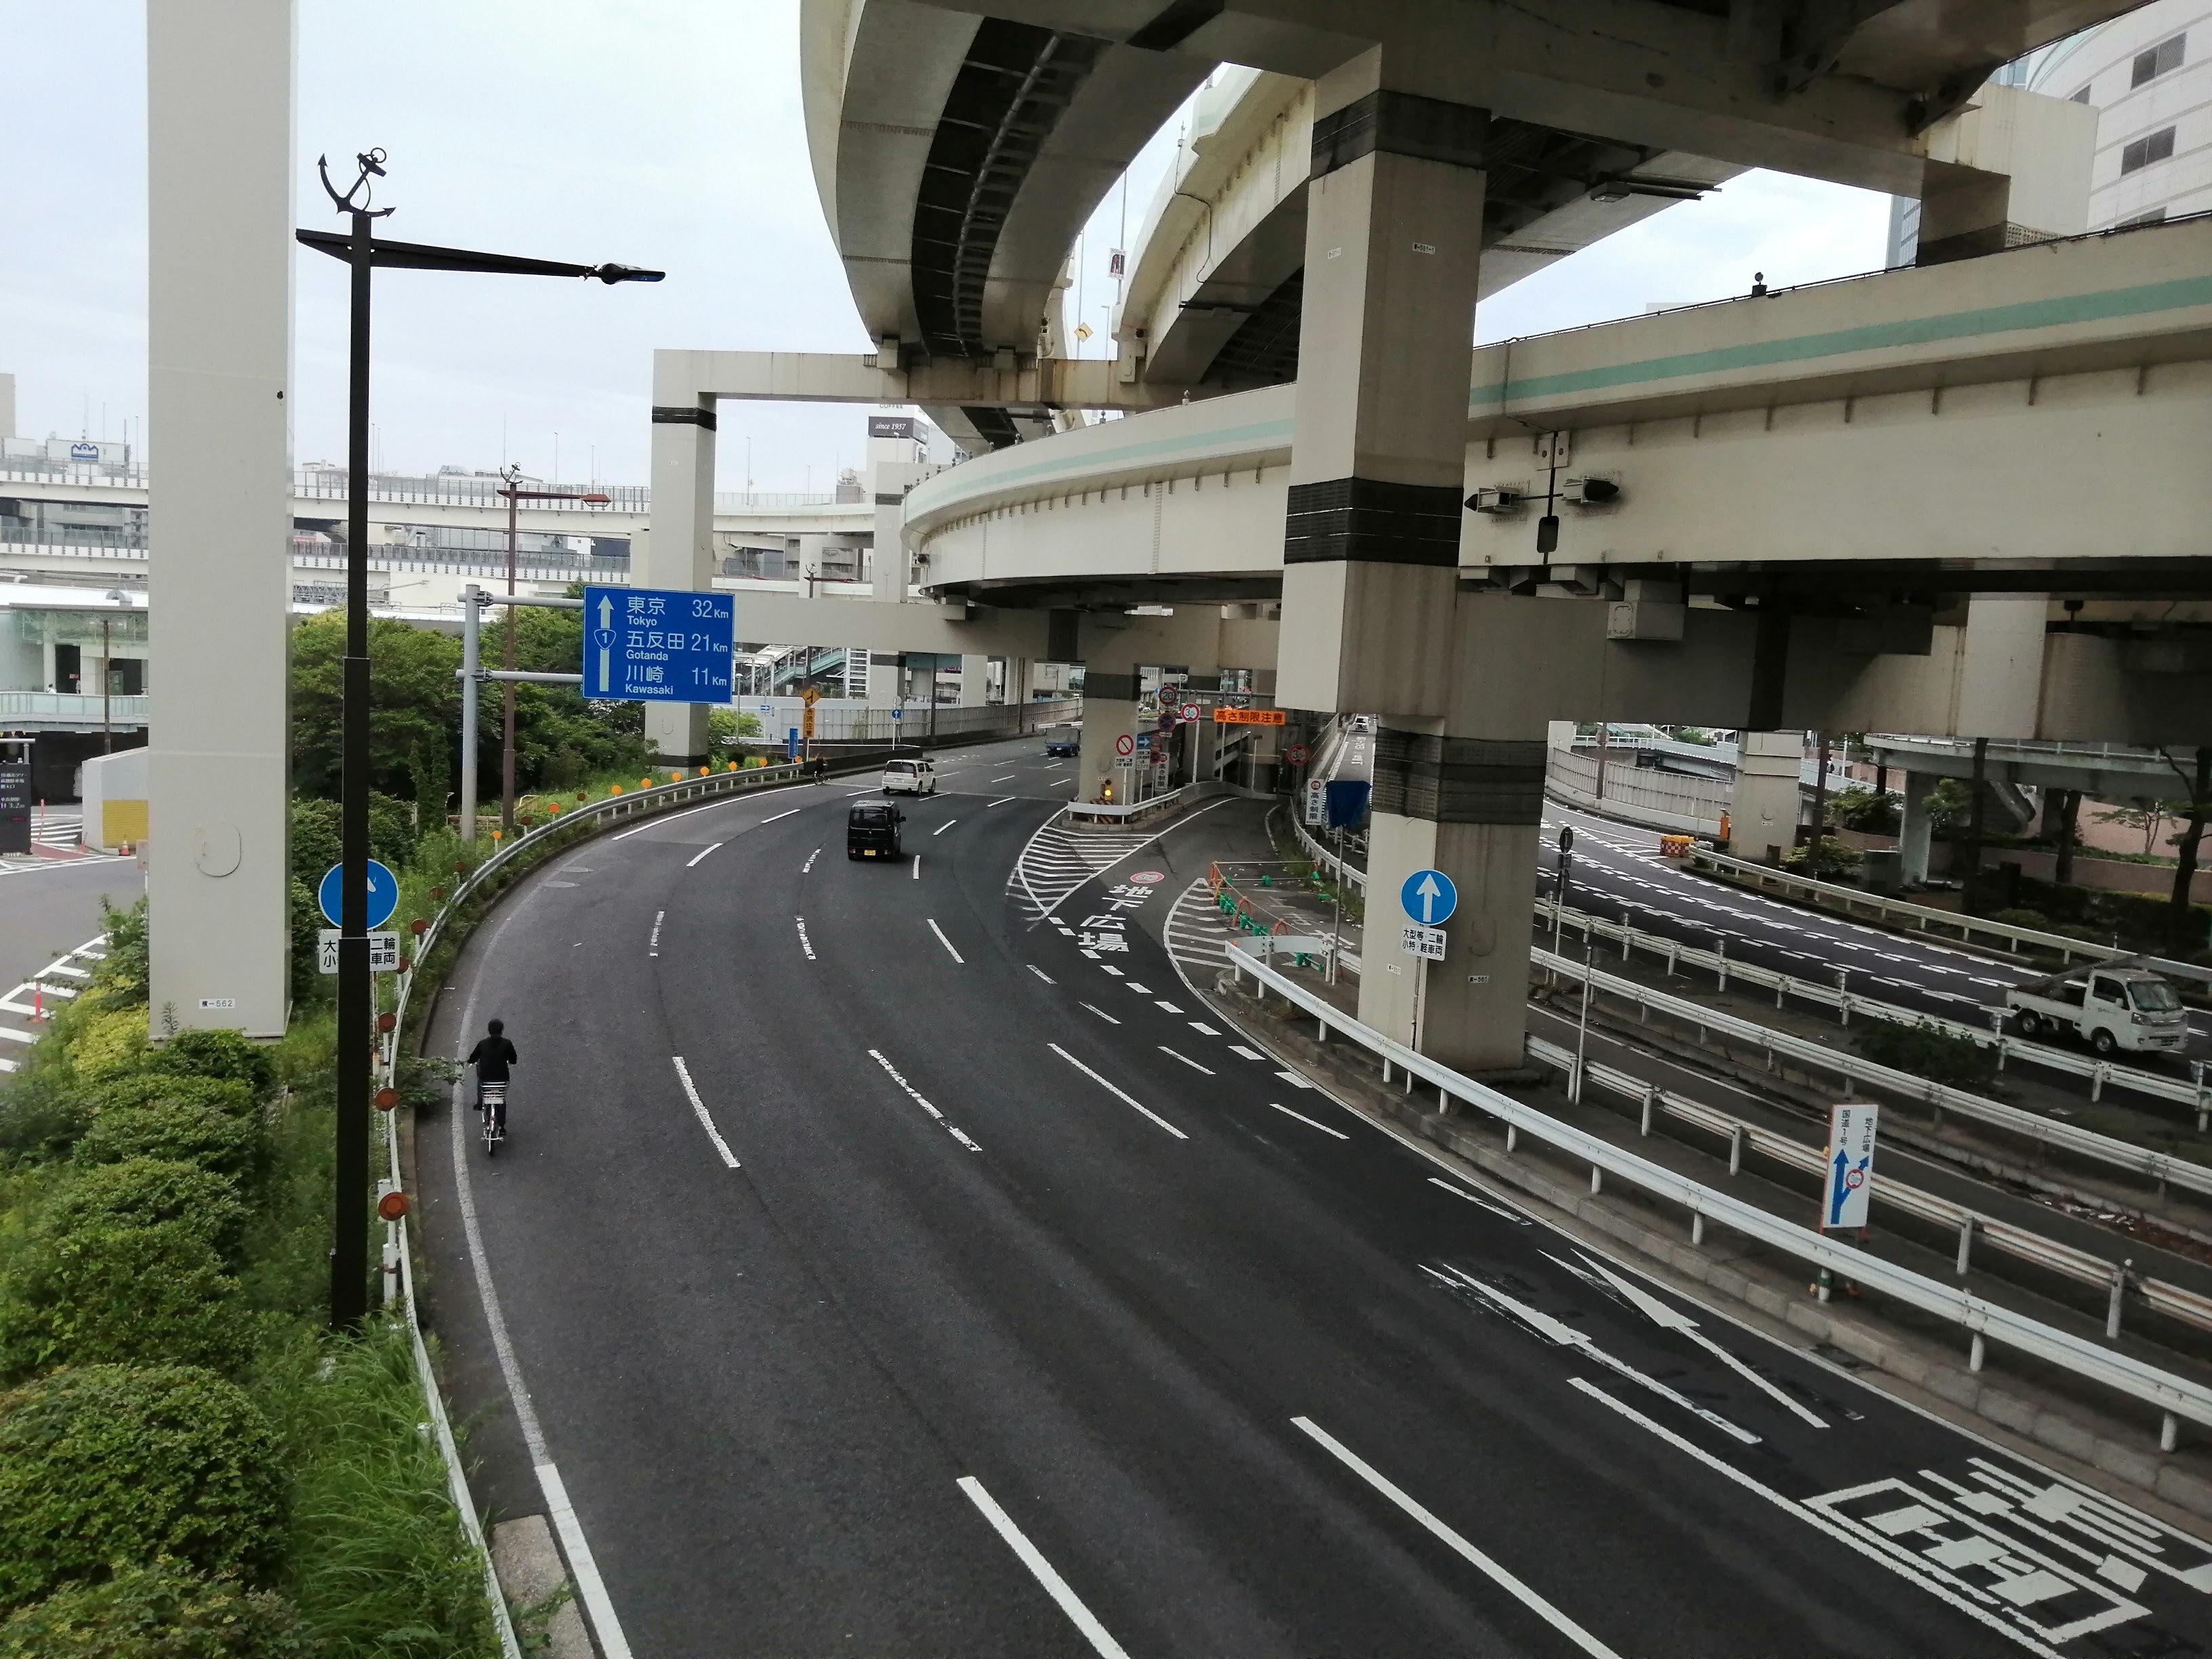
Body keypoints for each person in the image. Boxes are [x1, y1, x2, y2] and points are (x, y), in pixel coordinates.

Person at [467, 1019, 518, 1132]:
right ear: (502, 1030)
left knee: (481, 1082)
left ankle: (480, 1103)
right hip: (502, 1079)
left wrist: (470, 1061)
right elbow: (514, 1060)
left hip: (486, 1079)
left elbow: (473, 1058)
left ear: (489, 1030)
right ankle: (502, 1125)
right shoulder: (507, 1043)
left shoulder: (482, 1044)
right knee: (501, 1099)